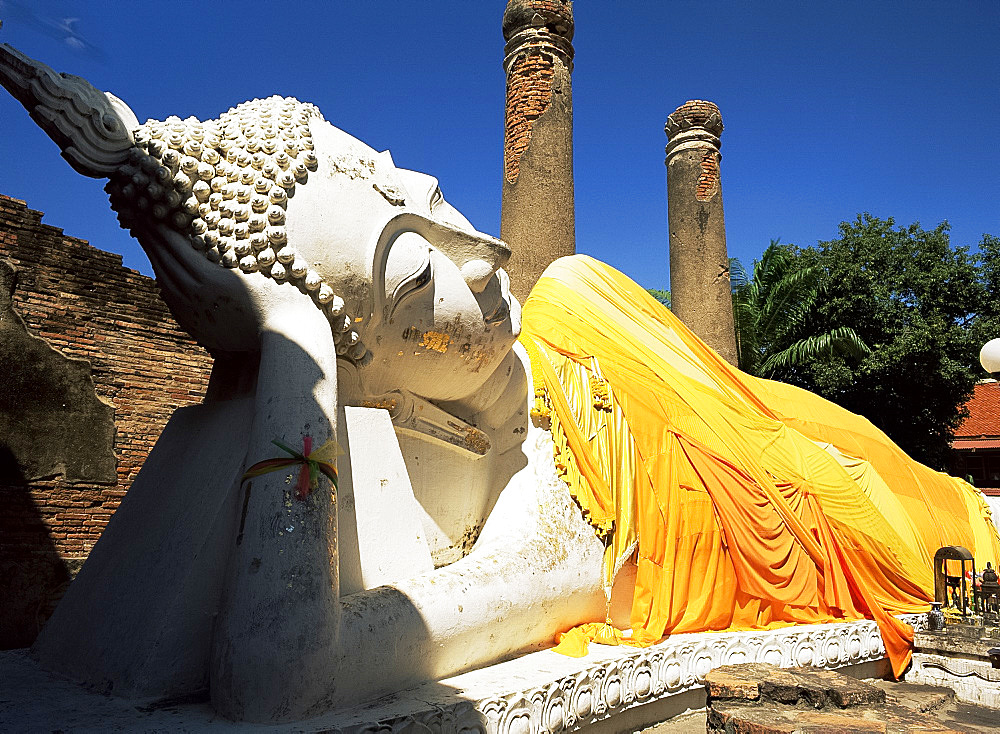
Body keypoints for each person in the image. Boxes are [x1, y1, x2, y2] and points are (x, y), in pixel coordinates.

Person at [5, 46, 1000, 723]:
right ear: (361, 358)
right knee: (935, 524)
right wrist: (294, 352)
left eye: (417, 191)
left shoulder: (570, 299)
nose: (480, 248)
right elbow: (277, 679)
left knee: (896, 479)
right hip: (815, 519)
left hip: (796, 447)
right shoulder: (553, 514)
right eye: (416, 276)